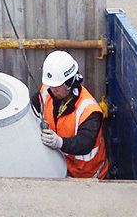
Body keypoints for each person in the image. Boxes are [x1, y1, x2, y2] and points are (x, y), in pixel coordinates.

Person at [32, 50, 108, 179]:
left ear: (71, 82)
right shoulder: (46, 90)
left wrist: (59, 142)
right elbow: (31, 109)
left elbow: (85, 143)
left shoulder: (89, 110)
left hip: (86, 176)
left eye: (57, 86)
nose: (53, 89)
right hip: (59, 169)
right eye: (51, 85)